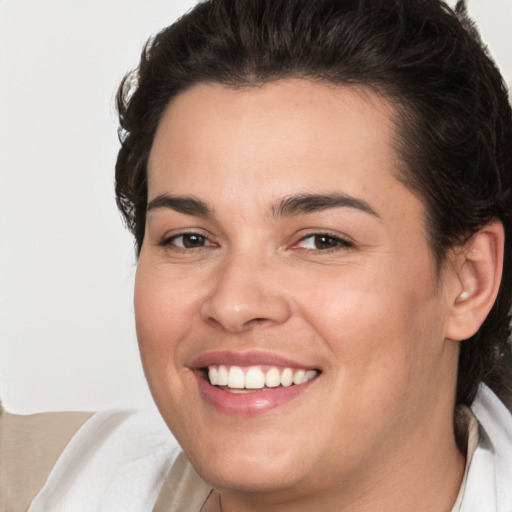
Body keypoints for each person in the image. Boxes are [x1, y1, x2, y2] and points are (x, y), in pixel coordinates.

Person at [4, 0, 511, 510]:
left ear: (468, 280)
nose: (234, 303)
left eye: (321, 240)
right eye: (190, 239)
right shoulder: (38, 484)